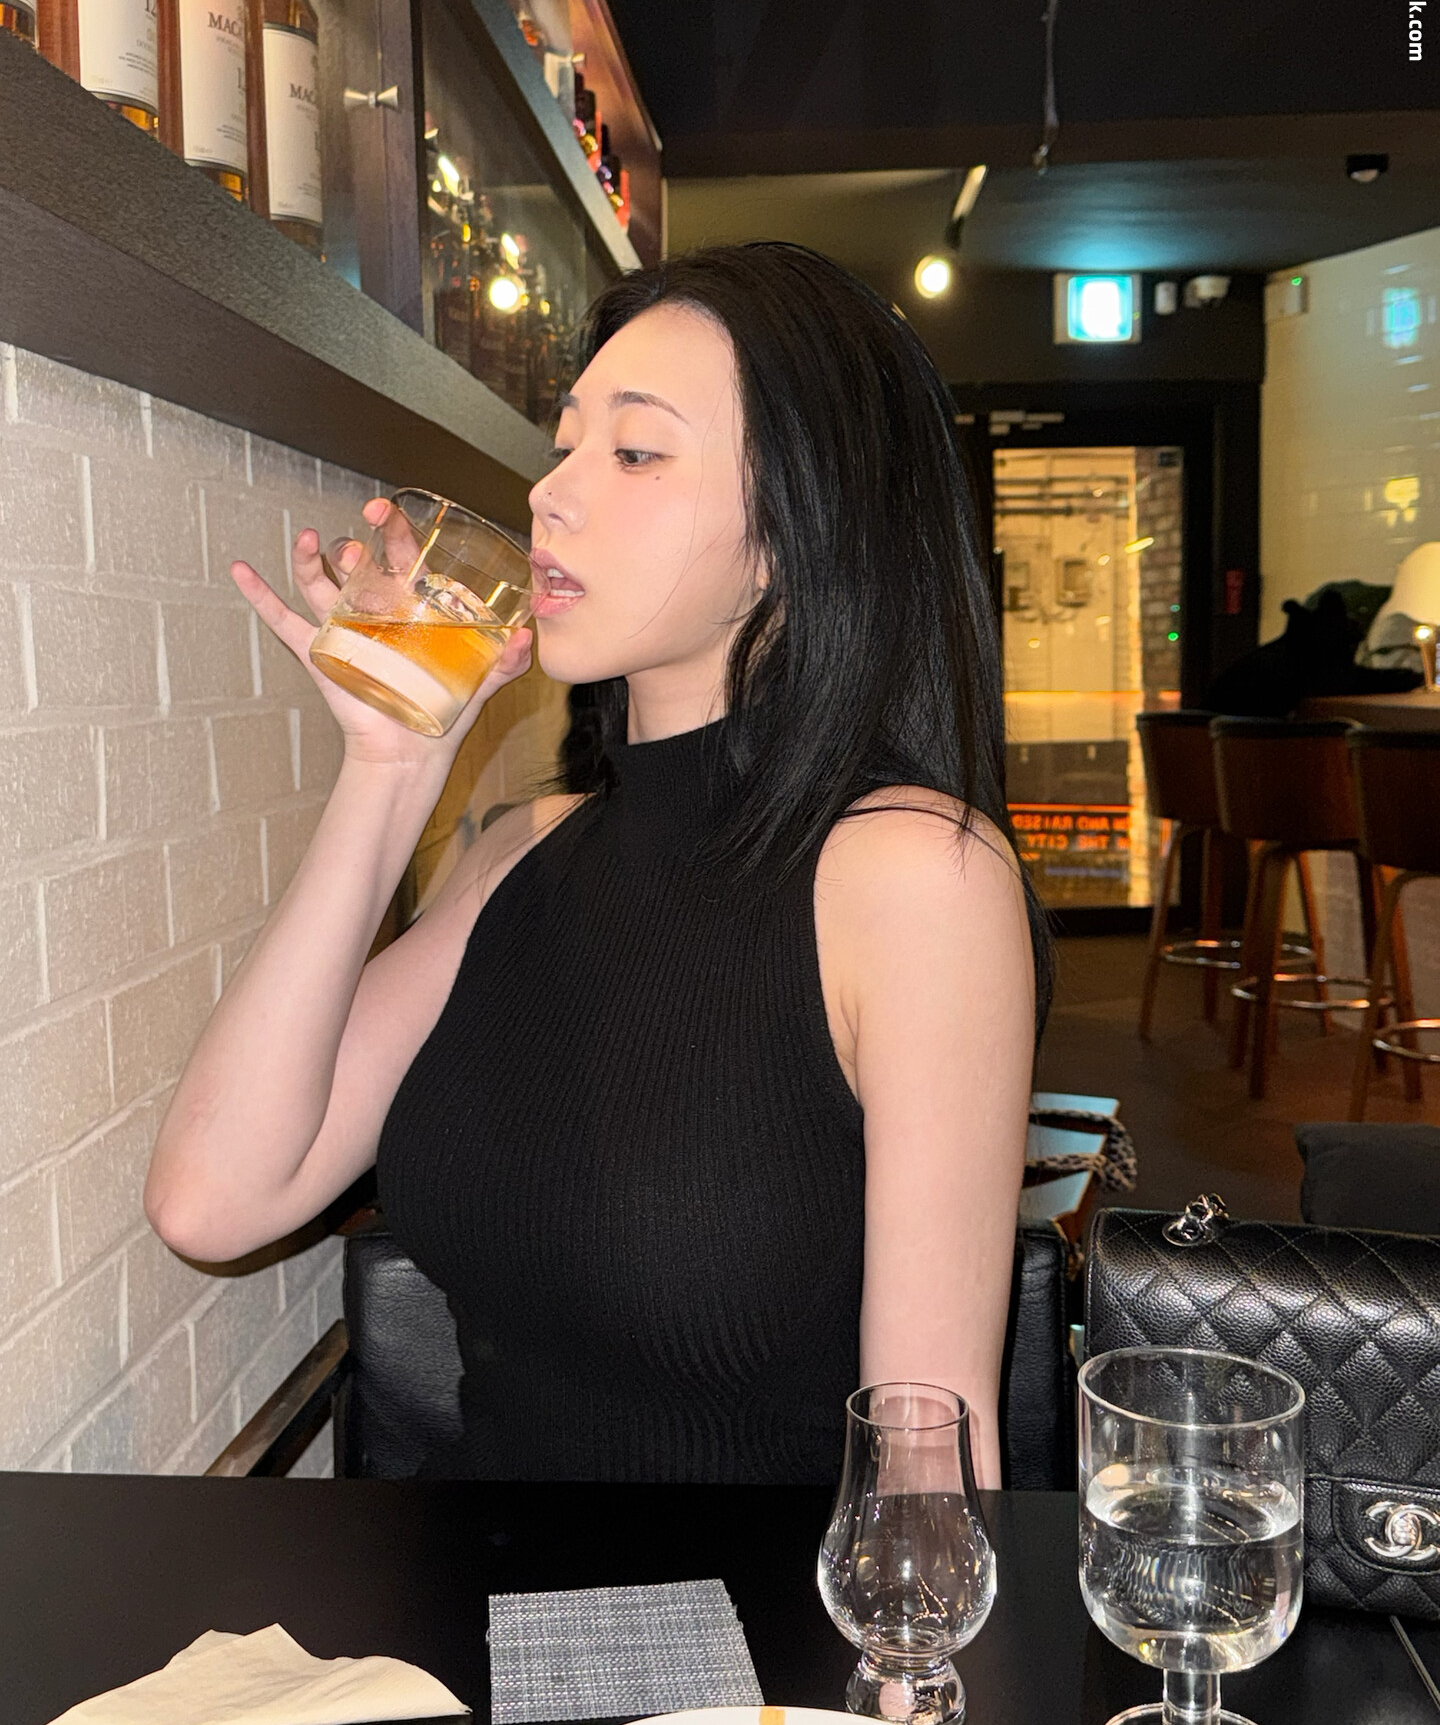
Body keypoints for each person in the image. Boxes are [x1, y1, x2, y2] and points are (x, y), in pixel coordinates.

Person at [145, 243, 1050, 1488]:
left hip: (766, 1611)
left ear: (794, 530)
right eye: (565, 442)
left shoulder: (912, 875)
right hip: (480, 1595)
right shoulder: (522, 849)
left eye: (634, 452)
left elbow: (930, 1452)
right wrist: (391, 768)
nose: (550, 494)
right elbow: (213, 1198)